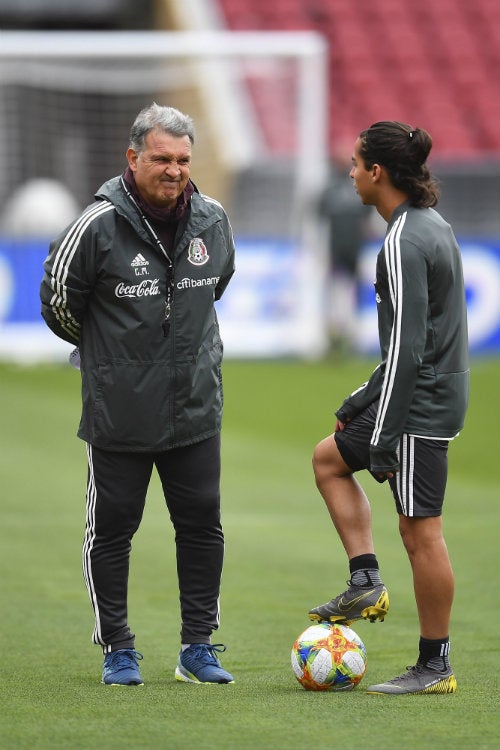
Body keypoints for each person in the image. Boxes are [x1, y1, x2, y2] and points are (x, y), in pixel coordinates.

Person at [40, 103, 236, 686]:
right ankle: (118, 648)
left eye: (182, 160)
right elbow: (56, 302)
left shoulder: (213, 219)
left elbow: (217, 283)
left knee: (202, 525)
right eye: (160, 159)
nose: (173, 170)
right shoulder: (96, 225)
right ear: (133, 158)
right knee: (113, 529)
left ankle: (198, 647)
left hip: (195, 407)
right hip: (120, 411)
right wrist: (107, 357)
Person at [308, 121, 469, 695]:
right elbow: (410, 341)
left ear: (377, 172)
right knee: (328, 459)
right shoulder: (427, 225)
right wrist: (359, 402)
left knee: (420, 530)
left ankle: (435, 664)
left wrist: (383, 433)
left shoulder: (403, 239)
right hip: (422, 391)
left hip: (420, 406)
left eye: (355, 163)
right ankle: (365, 581)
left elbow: (408, 348)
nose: (349, 173)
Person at [318, 143, 372, 347]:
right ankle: (331, 335)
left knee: (354, 291)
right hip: (334, 250)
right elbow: (319, 221)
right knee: (333, 292)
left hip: (356, 250)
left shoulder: (360, 189)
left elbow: (368, 222)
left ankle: (353, 334)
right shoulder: (328, 190)